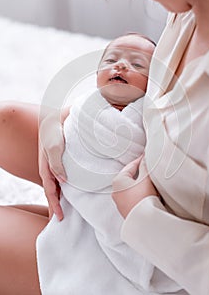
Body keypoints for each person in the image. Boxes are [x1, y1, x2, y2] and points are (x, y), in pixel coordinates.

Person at [0, 0, 209, 294]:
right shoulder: (191, 9)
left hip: (154, 262)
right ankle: (72, 226)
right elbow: (155, 102)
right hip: (138, 171)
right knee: (6, 121)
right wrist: (63, 121)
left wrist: (141, 214)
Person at [37, 33, 156, 294]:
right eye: (111, 59)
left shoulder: (151, 114)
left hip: (121, 224)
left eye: (137, 65)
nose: (121, 66)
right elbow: (67, 120)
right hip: (72, 206)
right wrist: (51, 126)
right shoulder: (85, 106)